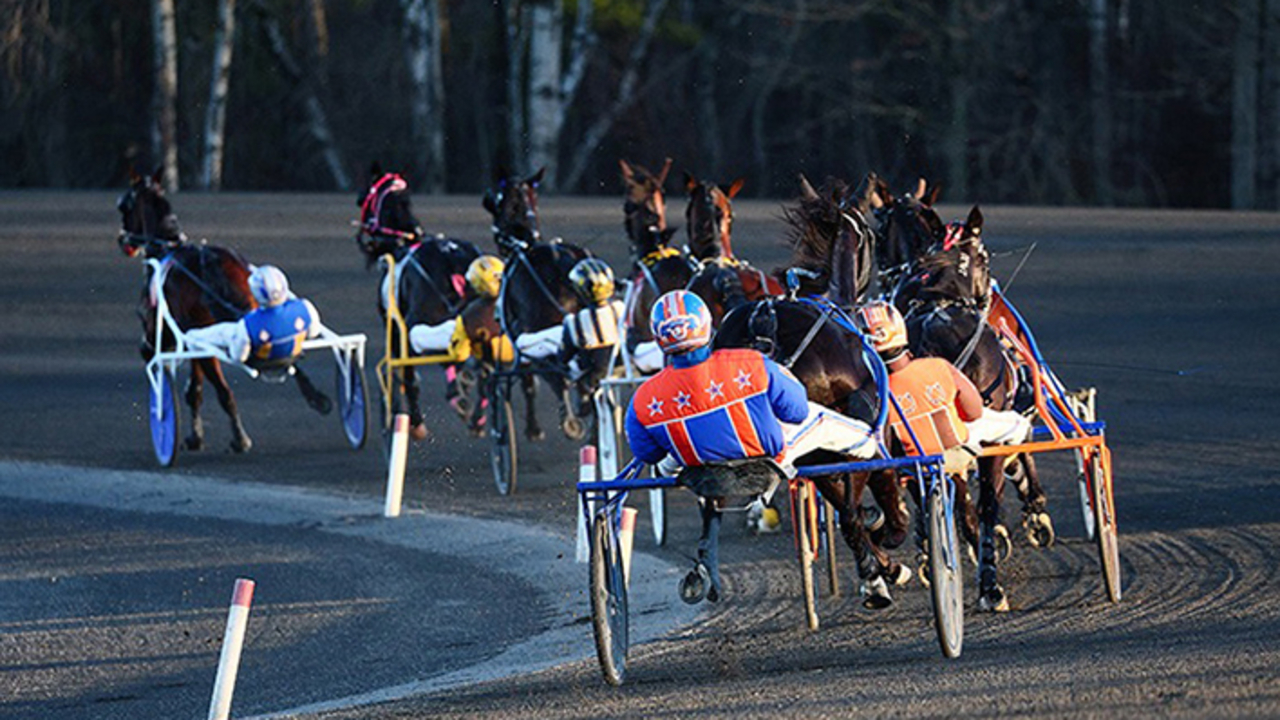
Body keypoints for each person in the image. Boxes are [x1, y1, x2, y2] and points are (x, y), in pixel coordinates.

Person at [625, 290, 878, 484]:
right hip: (766, 459)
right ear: (704, 323)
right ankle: (871, 443)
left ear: (659, 337)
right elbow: (797, 412)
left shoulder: (642, 400)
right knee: (832, 424)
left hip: (699, 470)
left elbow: (648, 454)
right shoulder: (752, 363)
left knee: (670, 449)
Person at [855, 300, 1031, 464]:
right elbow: (974, 413)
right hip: (955, 452)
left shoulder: (870, 389)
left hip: (906, 461)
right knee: (1019, 424)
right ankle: (1012, 464)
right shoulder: (939, 366)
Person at [185, 264, 321, 366]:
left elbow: (239, 357)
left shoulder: (248, 325)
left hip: (262, 360)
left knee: (221, 332)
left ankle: (189, 339)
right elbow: (313, 332)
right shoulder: (305, 307)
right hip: (294, 353)